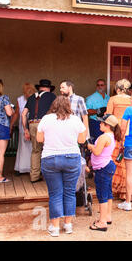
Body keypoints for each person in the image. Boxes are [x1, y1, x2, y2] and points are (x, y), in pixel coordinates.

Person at [37, 96, 87, 237]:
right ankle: (68, 224)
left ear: (54, 105)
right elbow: (82, 139)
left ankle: (54, 227)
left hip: (50, 158)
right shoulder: (75, 119)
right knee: (69, 192)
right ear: (68, 106)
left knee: (55, 194)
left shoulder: (46, 119)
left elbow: (39, 139)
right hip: (71, 157)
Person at [105, 79, 132, 201]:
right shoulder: (131, 100)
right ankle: (131, 192)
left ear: (117, 89)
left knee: (115, 159)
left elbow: (108, 116)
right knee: (131, 165)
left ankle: (115, 189)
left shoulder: (113, 99)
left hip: (117, 130)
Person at [87, 114, 120, 231]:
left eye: (102, 123)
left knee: (102, 195)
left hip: (103, 168)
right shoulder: (111, 136)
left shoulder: (104, 137)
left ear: (108, 126)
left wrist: (89, 146)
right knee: (108, 193)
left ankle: (102, 222)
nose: (100, 124)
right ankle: (107, 216)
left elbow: (96, 151)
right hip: (108, 166)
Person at [22, 79, 57, 183]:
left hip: (32, 123)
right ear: (49, 88)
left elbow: (23, 114)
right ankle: (50, 176)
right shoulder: (52, 96)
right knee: (49, 149)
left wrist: (25, 129)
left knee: (36, 150)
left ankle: (34, 176)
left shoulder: (31, 97)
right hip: (45, 123)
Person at [10, 83, 36, 176]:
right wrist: (11, 125)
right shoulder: (20, 100)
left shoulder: (36, 98)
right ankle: (21, 168)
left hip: (33, 126)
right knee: (23, 147)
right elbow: (16, 113)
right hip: (23, 126)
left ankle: (33, 168)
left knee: (34, 148)